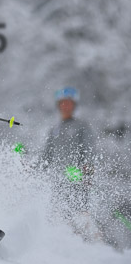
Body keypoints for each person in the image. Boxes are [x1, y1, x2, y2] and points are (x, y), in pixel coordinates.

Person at [39, 87, 100, 239]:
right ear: (58, 105)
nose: (65, 106)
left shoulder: (82, 126)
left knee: (80, 217)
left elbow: (89, 150)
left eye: (69, 103)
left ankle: (91, 246)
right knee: (60, 218)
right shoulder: (54, 129)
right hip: (58, 183)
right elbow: (46, 157)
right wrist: (32, 167)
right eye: (62, 103)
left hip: (77, 179)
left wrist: (87, 168)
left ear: (74, 105)